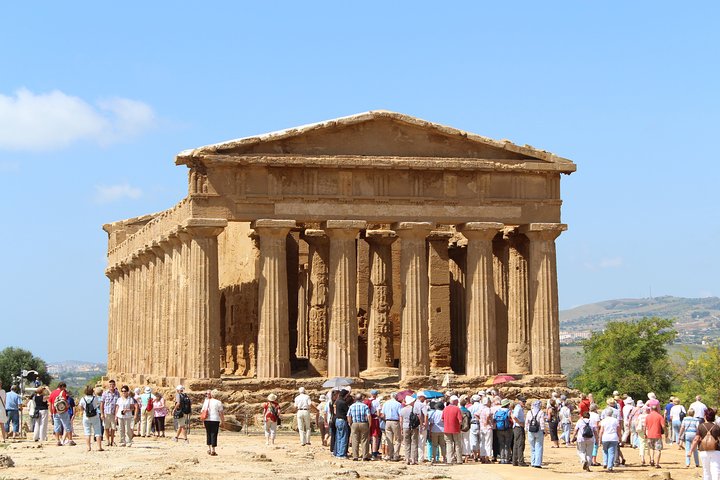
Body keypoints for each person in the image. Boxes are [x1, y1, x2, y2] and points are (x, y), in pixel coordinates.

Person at [690, 407, 720, 480]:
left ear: (705, 416)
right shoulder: (717, 427)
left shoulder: (701, 426)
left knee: (706, 470)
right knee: (716, 470)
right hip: (715, 450)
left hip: (703, 450)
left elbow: (696, 439)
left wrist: (691, 451)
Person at [347, 392, 371, 461]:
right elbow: (368, 415)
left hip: (354, 423)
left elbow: (348, 415)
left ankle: (355, 456)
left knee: (355, 440)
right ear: (361, 398)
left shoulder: (352, 406)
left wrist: (350, 423)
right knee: (364, 440)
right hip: (363, 423)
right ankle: (365, 456)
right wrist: (369, 424)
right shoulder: (365, 406)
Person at [79, 385, 103, 451]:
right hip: (95, 416)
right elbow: (99, 404)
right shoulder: (95, 398)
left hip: (86, 416)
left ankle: (88, 447)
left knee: (87, 432)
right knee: (97, 431)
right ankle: (99, 447)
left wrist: (84, 411)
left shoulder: (83, 399)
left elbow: (80, 407)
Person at [200, 389, 224, 456]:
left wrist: (203, 421)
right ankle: (213, 450)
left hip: (207, 420)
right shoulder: (218, 402)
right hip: (215, 420)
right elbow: (221, 413)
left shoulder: (206, 401)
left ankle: (209, 449)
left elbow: (202, 411)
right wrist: (223, 421)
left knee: (208, 433)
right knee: (214, 434)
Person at [49, 382, 72, 446]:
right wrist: (67, 406)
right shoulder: (62, 392)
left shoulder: (52, 393)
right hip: (63, 411)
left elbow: (50, 404)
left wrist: (51, 412)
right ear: (62, 387)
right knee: (67, 425)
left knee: (57, 426)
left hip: (55, 411)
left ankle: (58, 440)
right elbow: (64, 401)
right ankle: (70, 440)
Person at [598, 406, 621, 472]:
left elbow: (601, 431)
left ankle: (605, 462)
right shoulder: (615, 420)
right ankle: (610, 466)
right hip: (613, 437)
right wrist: (620, 438)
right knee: (611, 452)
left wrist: (600, 439)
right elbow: (618, 430)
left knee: (605, 451)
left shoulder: (603, 420)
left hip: (605, 437)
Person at [380, 392, 402, 461]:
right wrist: (401, 424)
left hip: (387, 421)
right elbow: (400, 415)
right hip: (395, 422)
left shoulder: (385, 403)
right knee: (398, 439)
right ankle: (396, 455)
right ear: (396, 397)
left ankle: (389, 454)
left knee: (389, 439)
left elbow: (382, 414)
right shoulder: (398, 404)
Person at [645, 399, 666, 468]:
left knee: (651, 448)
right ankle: (657, 463)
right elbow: (663, 426)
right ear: (657, 409)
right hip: (657, 435)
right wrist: (666, 432)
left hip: (650, 435)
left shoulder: (648, 416)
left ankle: (651, 460)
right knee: (658, 449)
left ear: (651, 409)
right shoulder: (659, 416)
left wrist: (645, 434)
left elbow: (645, 426)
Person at [526, 399, 546, 468]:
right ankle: (537, 463)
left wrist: (526, 429)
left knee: (532, 447)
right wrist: (543, 430)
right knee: (539, 446)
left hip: (530, 431)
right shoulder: (541, 412)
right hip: (538, 431)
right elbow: (542, 422)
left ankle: (532, 462)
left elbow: (527, 422)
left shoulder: (529, 412)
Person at [399, 395, 418, 465]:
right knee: (414, 442)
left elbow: (401, 420)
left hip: (405, 426)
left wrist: (401, 428)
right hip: (414, 426)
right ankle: (413, 459)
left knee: (407, 443)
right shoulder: (414, 409)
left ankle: (407, 459)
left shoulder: (402, 410)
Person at [100, 379, 119, 446]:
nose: (112, 386)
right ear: (108, 385)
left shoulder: (117, 393)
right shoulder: (105, 393)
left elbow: (118, 404)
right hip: (106, 413)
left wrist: (117, 414)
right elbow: (102, 403)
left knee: (113, 428)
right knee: (106, 427)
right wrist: (102, 413)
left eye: (113, 384)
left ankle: (112, 441)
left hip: (114, 413)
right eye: (110, 384)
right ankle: (107, 440)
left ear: (115, 385)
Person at [494, 398, 513, 464]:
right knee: (507, 444)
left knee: (501, 444)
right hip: (507, 429)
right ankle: (507, 459)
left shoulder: (498, 411)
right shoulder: (509, 411)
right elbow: (511, 419)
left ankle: (502, 459)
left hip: (499, 429)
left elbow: (494, 419)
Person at [511, 396, 528, 466]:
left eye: (525, 401)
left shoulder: (518, 408)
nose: (524, 403)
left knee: (516, 444)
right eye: (523, 402)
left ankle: (515, 460)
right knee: (520, 444)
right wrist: (520, 423)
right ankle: (520, 461)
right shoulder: (518, 408)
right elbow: (514, 417)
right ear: (520, 402)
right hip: (518, 427)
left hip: (517, 428)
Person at [334, 389, 350, 458]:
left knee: (339, 437)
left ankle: (338, 452)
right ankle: (342, 454)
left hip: (337, 420)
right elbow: (348, 412)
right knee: (343, 437)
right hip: (342, 420)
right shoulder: (343, 402)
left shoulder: (337, 401)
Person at [368, 389, 382, 459]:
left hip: (367, 420)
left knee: (368, 436)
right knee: (375, 437)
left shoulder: (367, 401)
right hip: (374, 419)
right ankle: (374, 453)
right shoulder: (376, 402)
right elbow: (378, 413)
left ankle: (367, 452)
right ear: (376, 395)